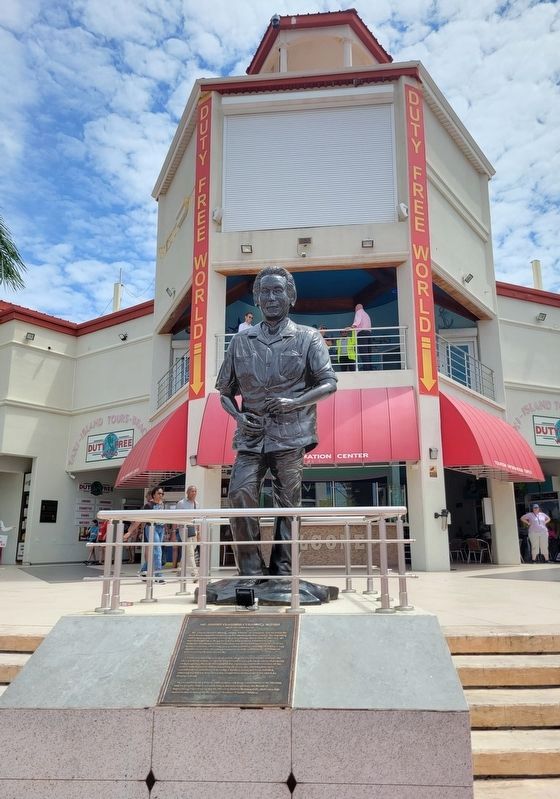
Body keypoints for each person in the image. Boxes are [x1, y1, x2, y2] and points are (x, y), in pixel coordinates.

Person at [216, 265, 337, 580]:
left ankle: (284, 572)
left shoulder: (308, 337)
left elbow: (328, 383)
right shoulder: (240, 342)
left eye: (277, 290)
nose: (271, 297)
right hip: (251, 435)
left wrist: (295, 402)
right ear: (256, 298)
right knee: (239, 494)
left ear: (291, 295)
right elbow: (224, 392)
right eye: (265, 291)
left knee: (288, 502)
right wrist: (239, 416)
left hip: (291, 433)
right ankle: (251, 571)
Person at [124, 486, 166, 583]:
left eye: (162, 494)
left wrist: (167, 531)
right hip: (151, 528)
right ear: (154, 494)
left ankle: (144, 570)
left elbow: (164, 519)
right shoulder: (149, 505)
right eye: (159, 493)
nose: (161, 495)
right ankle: (158, 575)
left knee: (154, 552)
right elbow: (140, 519)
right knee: (157, 550)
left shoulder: (162, 505)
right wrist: (130, 532)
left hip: (161, 528)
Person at [175, 484, 199, 580]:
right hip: (184, 528)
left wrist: (199, 532)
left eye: (195, 491)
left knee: (190, 550)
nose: (193, 493)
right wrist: (173, 532)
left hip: (193, 529)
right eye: (192, 491)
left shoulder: (197, 504)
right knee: (190, 552)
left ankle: (180, 570)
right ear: (187, 493)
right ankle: (194, 573)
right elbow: (175, 517)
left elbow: (197, 518)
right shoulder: (181, 503)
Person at [348, 302, 373, 370]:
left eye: (355, 309)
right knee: (368, 352)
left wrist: (351, 327)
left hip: (362, 334)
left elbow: (357, 321)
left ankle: (366, 368)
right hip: (368, 334)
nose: (355, 311)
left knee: (363, 351)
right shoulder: (366, 314)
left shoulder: (359, 312)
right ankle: (369, 367)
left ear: (357, 308)